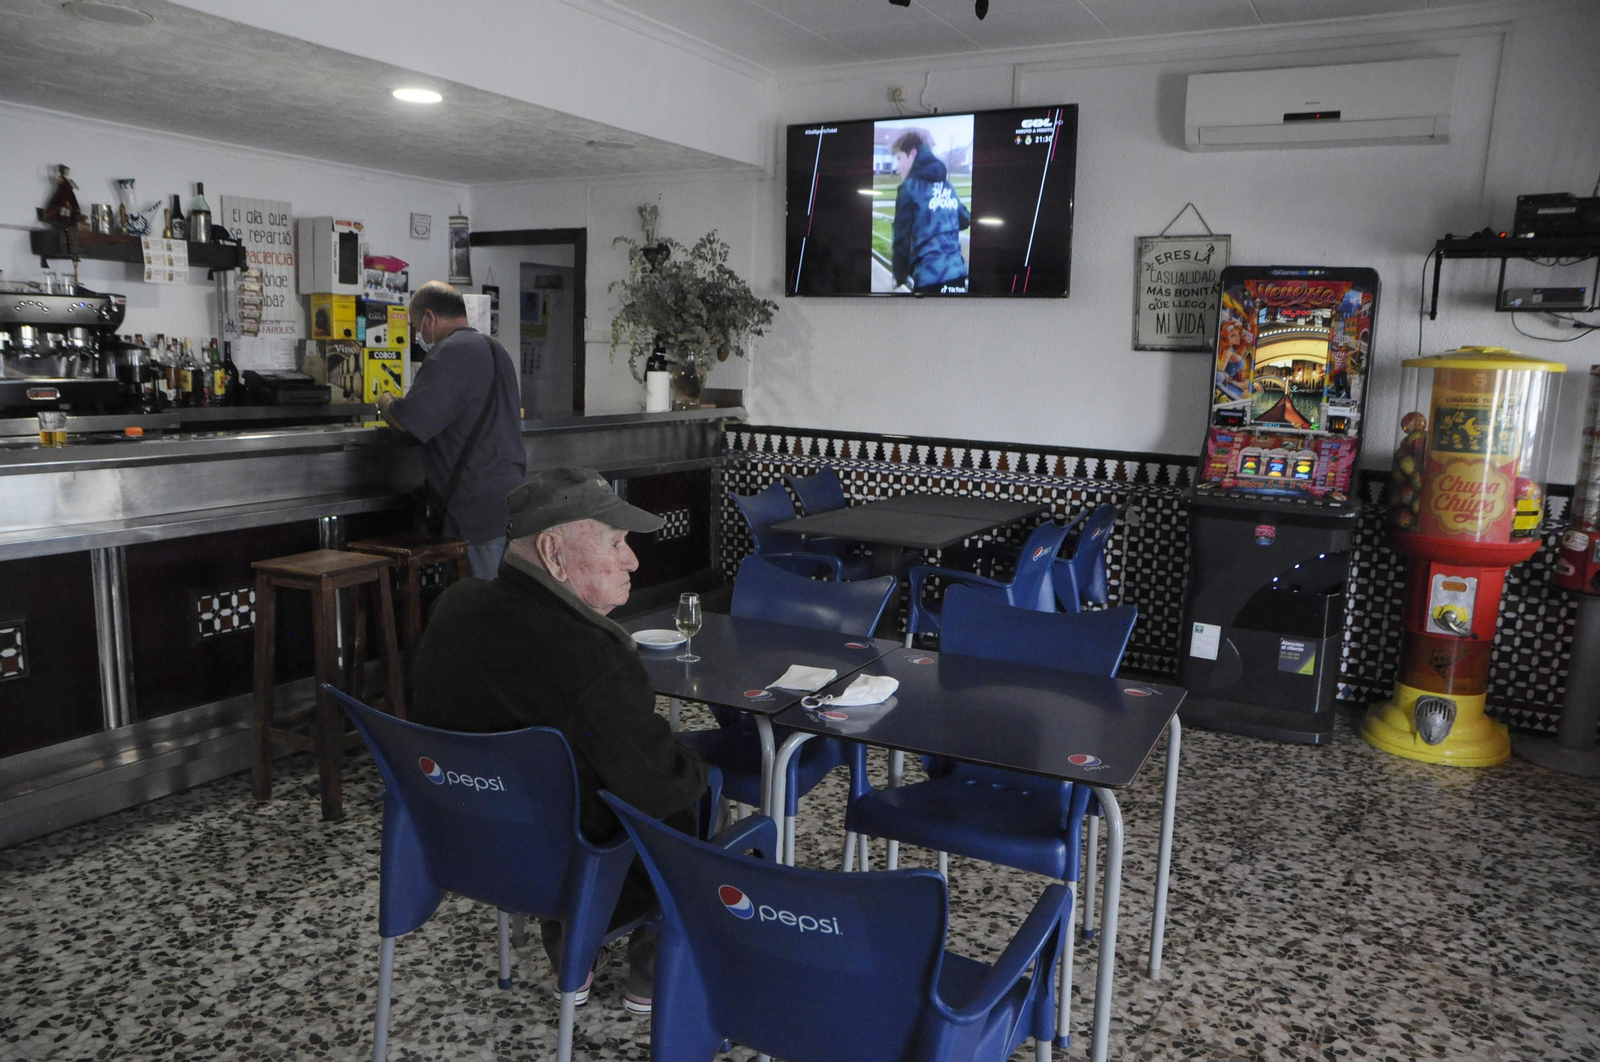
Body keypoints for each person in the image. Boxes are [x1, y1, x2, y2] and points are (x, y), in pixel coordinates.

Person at [409, 466, 709, 1014]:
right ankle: (651, 971)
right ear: (553, 552)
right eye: (615, 543)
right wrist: (695, 761)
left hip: (462, 850)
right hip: (570, 869)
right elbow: (660, 789)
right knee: (694, 800)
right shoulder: (593, 659)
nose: (632, 560)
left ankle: (570, 947)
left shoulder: (454, 607)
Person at [377, 281, 525, 578]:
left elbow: (411, 419)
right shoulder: (496, 350)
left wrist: (385, 403)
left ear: (430, 318)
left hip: (472, 508)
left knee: (477, 599)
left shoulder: (449, 353)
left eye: (416, 327)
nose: (417, 336)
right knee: (508, 596)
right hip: (511, 500)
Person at [890, 130, 971, 295]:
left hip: (928, 279)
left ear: (912, 154)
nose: (897, 168)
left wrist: (899, 276)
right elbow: (965, 219)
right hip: (958, 276)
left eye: (899, 158)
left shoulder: (908, 189)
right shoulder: (947, 186)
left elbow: (901, 241)